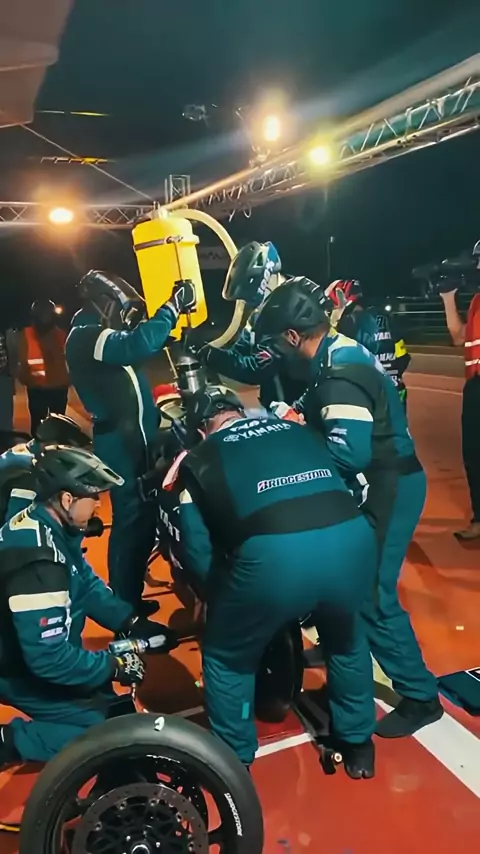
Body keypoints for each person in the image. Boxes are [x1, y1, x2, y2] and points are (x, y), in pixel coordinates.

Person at [254, 278, 443, 739]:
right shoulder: (335, 353)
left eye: (277, 341)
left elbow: (347, 453)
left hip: (388, 484)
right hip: (380, 480)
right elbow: (309, 410)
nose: (275, 351)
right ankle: (345, 641)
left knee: (373, 592)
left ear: (293, 335)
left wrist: (295, 457)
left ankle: (420, 696)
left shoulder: (340, 371)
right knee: (348, 576)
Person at [177, 384, 378, 777]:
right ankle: (358, 747)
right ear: (239, 412)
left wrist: (218, 596)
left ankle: (234, 763)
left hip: (275, 557)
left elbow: (197, 548)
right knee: (347, 639)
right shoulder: (295, 430)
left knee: (227, 656)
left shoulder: (199, 457)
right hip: (351, 540)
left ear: (201, 429)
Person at [0, 444, 176, 768]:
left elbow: (85, 584)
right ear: (67, 499)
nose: (98, 504)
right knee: (105, 735)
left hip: (22, 651)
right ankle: (9, 742)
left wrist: (130, 622)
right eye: (93, 497)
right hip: (14, 667)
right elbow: (48, 659)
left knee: (106, 703)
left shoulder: (49, 523)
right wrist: (113, 665)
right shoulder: (40, 565)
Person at [65, 270, 196, 614]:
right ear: (103, 302)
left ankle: (131, 597)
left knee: (144, 520)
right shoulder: (85, 334)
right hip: (121, 445)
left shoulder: (102, 334)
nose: (125, 316)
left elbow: (142, 344)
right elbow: (135, 345)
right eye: (121, 308)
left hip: (137, 439)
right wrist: (171, 308)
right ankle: (123, 607)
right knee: (130, 522)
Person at [197, 242, 309, 407]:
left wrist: (209, 355)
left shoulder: (294, 308)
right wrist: (206, 350)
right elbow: (238, 352)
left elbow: (256, 369)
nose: (246, 302)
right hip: (276, 405)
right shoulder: (259, 314)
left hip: (302, 406)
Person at [439, 240, 480, 540]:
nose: (476, 267)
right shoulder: (477, 300)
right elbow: (458, 336)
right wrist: (448, 297)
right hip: (475, 385)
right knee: (473, 454)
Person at [325, 279, 411, 408]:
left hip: (368, 399)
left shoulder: (348, 324)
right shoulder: (386, 319)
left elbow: (331, 358)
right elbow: (403, 358)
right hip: (396, 394)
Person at [0, 412, 91, 523]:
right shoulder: (30, 471)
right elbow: (16, 525)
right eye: (66, 448)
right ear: (49, 444)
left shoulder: (24, 450)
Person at [18, 300, 69, 436]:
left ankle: (57, 447)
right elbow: (22, 361)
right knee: (38, 427)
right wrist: (26, 378)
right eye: (43, 315)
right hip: (37, 388)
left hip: (58, 388)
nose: (45, 318)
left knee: (58, 427)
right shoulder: (26, 334)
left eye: (48, 315)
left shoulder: (61, 335)